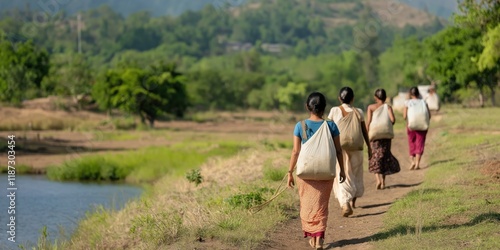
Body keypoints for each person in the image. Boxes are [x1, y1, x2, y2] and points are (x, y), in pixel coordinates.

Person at [287, 92, 346, 250]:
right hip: (326, 172)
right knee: (321, 205)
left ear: (307, 107)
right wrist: (342, 170)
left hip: (306, 173)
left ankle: (312, 236)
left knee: (307, 205)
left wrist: (289, 172)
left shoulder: (301, 126)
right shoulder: (331, 126)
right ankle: (319, 238)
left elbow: (295, 152)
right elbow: (339, 151)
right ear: (324, 107)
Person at [327, 87, 371, 217]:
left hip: (340, 148)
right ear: (353, 98)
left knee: (342, 174)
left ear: (339, 98)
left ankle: (345, 203)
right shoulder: (359, 112)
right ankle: (352, 202)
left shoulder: (335, 110)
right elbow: (364, 131)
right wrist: (369, 147)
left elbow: (329, 128)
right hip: (357, 148)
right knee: (355, 174)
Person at [366, 89, 400, 190]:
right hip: (386, 136)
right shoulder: (388, 107)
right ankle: (384, 182)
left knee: (375, 157)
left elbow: (368, 122)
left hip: (375, 136)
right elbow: (393, 120)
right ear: (385, 97)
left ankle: (378, 180)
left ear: (375, 97)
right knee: (384, 156)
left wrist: (367, 134)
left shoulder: (371, 107)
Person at [403, 87, 431, 170]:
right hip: (422, 125)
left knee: (412, 142)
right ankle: (417, 164)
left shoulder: (407, 103)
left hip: (411, 126)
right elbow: (429, 115)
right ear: (418, 94)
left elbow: (404, 117)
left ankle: (412, 161)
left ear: (410, 94)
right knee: (420, 143)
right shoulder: (423, 102)